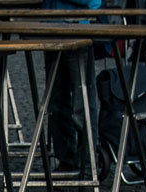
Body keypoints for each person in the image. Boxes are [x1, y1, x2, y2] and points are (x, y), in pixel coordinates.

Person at [43, 0, 101, 174]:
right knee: (56, 104)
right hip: (52, 30)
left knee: (81, 107)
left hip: (78, 30)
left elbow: (93, 2)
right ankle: (67, 160)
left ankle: (88, 162)